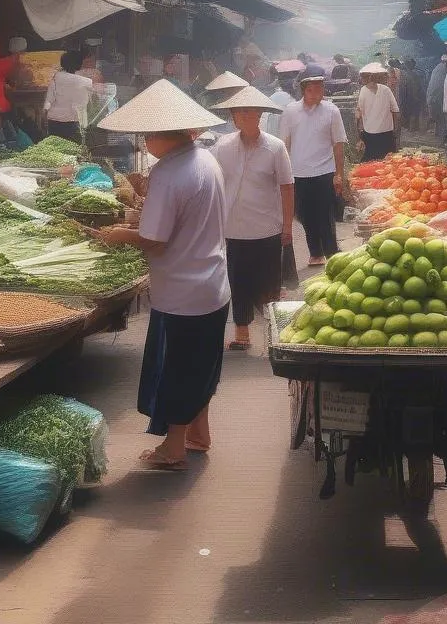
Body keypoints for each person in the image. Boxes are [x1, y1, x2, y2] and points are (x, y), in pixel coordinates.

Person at [97, 80, 230, 471]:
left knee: (177, 369)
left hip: (182, 292)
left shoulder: (169, 173)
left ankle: (173, 449)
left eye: (146, 136)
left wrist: (118, 234)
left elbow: (154, 239)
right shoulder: (204, 159)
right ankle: (198, 434)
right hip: (212, 284)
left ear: (160, 136)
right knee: (201, 365)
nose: (143, 143)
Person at [210, 86, 294, 351]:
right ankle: (242, 333)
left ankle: (276, 335)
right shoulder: (221, 147)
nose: (246, 116)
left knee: (269, 284)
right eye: (241, 112)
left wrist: (288, 226)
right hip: (233, 228)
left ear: (260, 115)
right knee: (238, 282)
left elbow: (287, 186)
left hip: (267, 227)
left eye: (252, 112)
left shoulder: (275, 147)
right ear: (233, 117)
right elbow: (211, 180)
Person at [280, 72, 347, 266]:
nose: (318, 92)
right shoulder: (291, 111)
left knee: (326, 214)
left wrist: (339, 174)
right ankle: (315, 252)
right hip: (298, 173)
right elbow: (285, 144)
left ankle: (332, 252)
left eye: (321, 88)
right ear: (304, 90)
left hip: (325, 171)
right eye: (313, 89)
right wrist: (283, 173)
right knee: (306, 215)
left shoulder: (331, 111)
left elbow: (338, 144)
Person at [43, 51, 94, 143]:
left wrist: (44, 115)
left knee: (56, 150)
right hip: (76, 122)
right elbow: (88, 103)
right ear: (79, 64)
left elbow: (49, 100)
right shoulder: (87, 82)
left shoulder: (56, 78)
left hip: (55, 121)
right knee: (75, 150)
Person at [356, 63, 400, 161]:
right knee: (389, 162)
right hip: (387, 133)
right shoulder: (386, 90)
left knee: (372, 162)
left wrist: (359, 136)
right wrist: (395, 130)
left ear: (369, 77)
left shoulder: (363, 91)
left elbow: (359, 116)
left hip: (371, 134)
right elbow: (395, 111)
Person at [427, 54, 447, 139]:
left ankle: (439, 132)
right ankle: (443, 135)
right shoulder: (443, 69)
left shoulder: (437, 68)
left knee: (439, 116)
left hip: (434, 95)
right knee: (442, 116)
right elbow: (440, 85)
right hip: (438, 95)